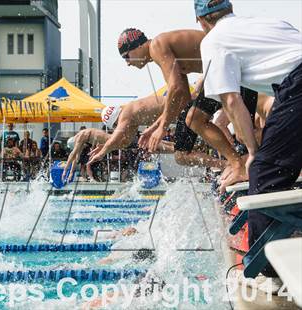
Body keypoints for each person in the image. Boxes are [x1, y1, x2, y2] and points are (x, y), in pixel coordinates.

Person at [194, 0, 302, 288]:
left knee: (265, 174)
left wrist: (253, 153)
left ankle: (267, 273)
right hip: (293, 85)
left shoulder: (213, 40)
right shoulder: (267, 24)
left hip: (298, 85)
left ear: (201, 21)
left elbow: (231, 100)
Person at [110, 28, 262, 185]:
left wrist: (162, 128)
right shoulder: (164, 51)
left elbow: (175, 88)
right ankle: (237, 164)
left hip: (233, 69)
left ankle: (243, 164)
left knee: (238, 133)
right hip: (224, 71)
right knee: (199, 120)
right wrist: (156, 127)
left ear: (138, 46)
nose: (127, 63)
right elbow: (182, 97)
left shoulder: (157, 45)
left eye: (126, 56)